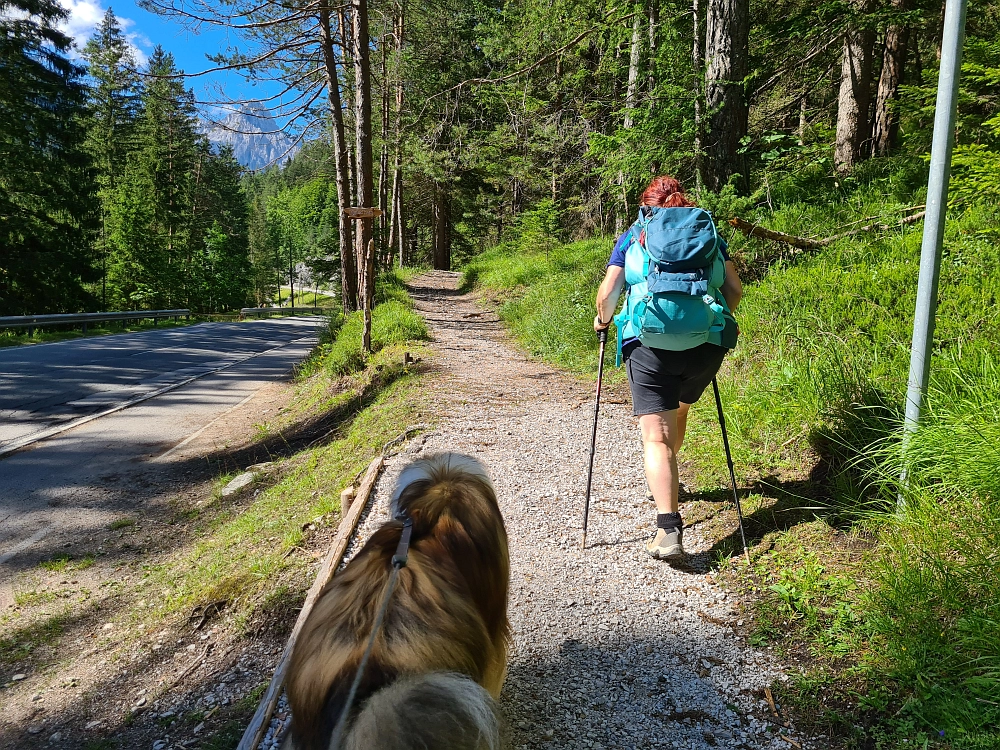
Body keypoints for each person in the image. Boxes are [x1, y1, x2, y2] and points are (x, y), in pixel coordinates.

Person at [593, 175, 743, 561]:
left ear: (646, 204)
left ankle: (668, 530)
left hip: (650, 344)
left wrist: (602, 321)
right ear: (683, 201)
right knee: (680, 409)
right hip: (706, 345)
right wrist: (708, 321)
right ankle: (669, 479)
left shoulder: (635, 234)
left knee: (655, 438)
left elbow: (609, 293)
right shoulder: (706, 231)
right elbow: (734, 291)